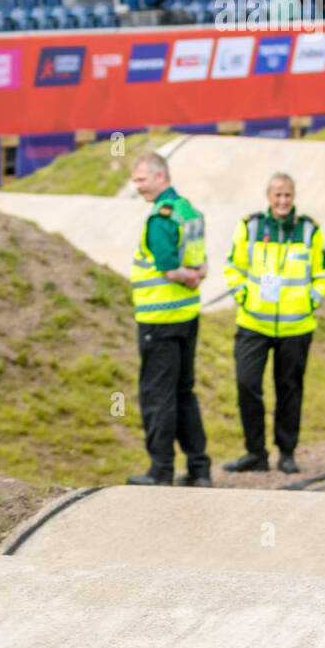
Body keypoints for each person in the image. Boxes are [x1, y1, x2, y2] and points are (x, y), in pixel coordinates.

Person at [222, 172, 325, 474]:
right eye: (277, 195)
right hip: (254, 323)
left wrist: (312, 299)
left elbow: (322, 274)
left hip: (296, 327)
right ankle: (255, 453)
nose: (283, 201)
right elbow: (233, 267)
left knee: (289, 390)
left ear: (293, 197)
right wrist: (243, 295)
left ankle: (287, 452)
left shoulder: (310, 230)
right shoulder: (251, 226)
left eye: (287, 195)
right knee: (247, 385)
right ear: (268, 197)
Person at [127, 152, 212, 487]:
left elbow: (165, 266)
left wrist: (186, 276)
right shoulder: (188, 211)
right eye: (135, 182)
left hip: (159, 320)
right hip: (187, 316)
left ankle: (160, 470)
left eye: (141, 180)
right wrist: (197, 275)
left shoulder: (161, 218)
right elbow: (201, 261)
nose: (138, 187)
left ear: (161, 176)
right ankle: (199, 468)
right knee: (183, 391)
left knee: (157, 394)